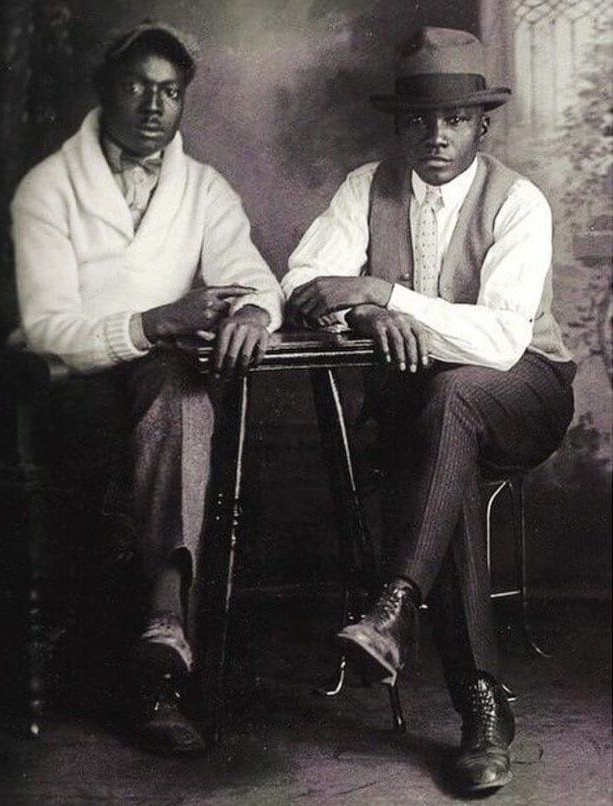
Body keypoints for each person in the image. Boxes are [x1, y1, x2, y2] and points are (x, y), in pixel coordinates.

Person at [282, 27, 575, 794]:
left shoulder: (519, 202)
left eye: (454, 119)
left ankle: (392, 605)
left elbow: (503, 339)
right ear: (399, 124)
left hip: (525, 391)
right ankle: (483, 710)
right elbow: (305, 279)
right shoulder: (365, 188)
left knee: (455, 396)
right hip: (427, 412)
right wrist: (366, 319)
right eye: (419, 120)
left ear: (483, 124)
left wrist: (384, 293)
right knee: (445, 447)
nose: (436, 135)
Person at [11, 21, 283, 753]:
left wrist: (256, 308)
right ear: (105, 91)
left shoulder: (203, 188)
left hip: (162, 381)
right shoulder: (49, 189)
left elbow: (251, 273)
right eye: (137, 86)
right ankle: (156, 654)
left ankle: (164, 633)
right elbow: (45, 326)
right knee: (169, 398)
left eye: (170, 91)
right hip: (72, 388)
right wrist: (155, 321)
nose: (154, 105)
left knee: (183, 391)